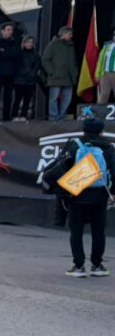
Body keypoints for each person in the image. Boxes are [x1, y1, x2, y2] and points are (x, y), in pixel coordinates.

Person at [57, 117, 112, 277]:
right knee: (98, 230)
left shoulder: (75, 145)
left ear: (84, 130)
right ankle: (97, 265)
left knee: (76, 231)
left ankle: (78, 266)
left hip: (77, 193)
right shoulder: (108, 147)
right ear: (101, 131)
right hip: (100, 194)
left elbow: (62, 167)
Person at [42, 26, 78, 121]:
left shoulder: (71, 46)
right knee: (53, 99)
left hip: (68, 77)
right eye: (69, 34)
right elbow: (45, 60)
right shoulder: (53, 44)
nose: (71, 36)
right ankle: (53, 118)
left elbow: (73, 61)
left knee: (67, 99)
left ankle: (62, 117)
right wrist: (52, 72)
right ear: (63, 34)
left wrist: (74, 72)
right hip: (56, 77)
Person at [0, 23, 20, 121]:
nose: (10, 32)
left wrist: (6, 53)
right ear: (2, 31)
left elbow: (16, 54)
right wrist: (7, 54)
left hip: (10, 73)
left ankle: (6, 117)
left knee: (8, 96)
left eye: (11, 30)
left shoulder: (14, 42)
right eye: (8, 30)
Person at [12, 35, 41, 121]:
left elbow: (37, 66)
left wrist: (31, 74)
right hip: (19, 80)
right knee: (18, 98)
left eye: (31, 42)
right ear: (24, 43)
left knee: (27, 99)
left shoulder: (36, 55)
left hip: (30, 80)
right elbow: (17, 66)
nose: (30, 44)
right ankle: (14, 115)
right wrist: (24, 73)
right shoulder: (18, 54)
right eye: (28, 42)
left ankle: (23, 115)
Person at [97, 30, 115, 104]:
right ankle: (99, 113)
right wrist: (97, 74)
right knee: (104, 94)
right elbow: (101, 60)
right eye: (114, 34)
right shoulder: (107, 45)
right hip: (105, 73)